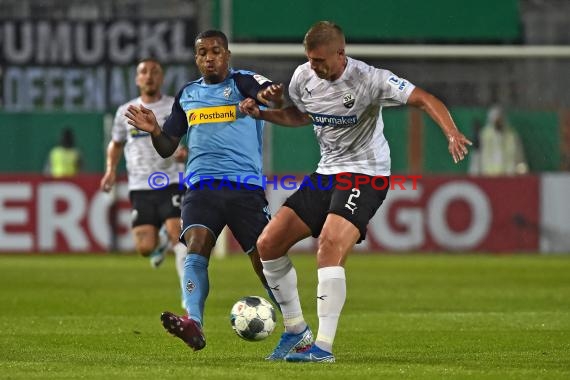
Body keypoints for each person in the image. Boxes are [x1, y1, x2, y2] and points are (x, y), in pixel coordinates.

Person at [239, 21, 472, 363]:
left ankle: (323, 348)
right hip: (327, 171)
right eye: (310, 60)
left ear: (340, 53)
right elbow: (302, 116)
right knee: (268, 245)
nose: (315, 67)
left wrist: (451, 132)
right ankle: (295, 330)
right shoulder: (303, 78)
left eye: (321, 61)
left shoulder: (370, 79)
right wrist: (263, 114)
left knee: (330, 244)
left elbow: (424, 98)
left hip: (367, 173)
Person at [124, 30, 289, 352]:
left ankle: (295, 326)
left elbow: (271, 97)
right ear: (196, 58)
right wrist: (156, 130)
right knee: (195, 245)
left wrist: (270, 94)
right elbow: (167, 146)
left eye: (216, 51)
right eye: (202, 53)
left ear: (227, 55)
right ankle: (193, 323)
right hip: (201, 186)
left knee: (263, 260)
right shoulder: (187, 95)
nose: (209, 57)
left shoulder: (243, 83)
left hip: (244, 187)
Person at [100, 58, 188, 300]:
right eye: (144, 72)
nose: (149, 76)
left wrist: (185, 152)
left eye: (155, 72)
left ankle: (187, 294)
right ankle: (160, 244)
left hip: (170, 179)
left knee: (178, 235)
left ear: (162, 78)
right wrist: (110, 170)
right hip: (140, 185)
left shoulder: (174, 106)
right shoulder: (125, 111)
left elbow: (192, 137)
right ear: (137, 79)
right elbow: (116, 144)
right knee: (144, 248)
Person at [475, 105, 528, 176]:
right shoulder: (484, 135)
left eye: (500, 120)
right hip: (488, 176)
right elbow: (478, 156)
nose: (498, 122)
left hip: (509, 176)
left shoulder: (512, 135)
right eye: (497, 120)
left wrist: (521, 171)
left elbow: (519, 156)